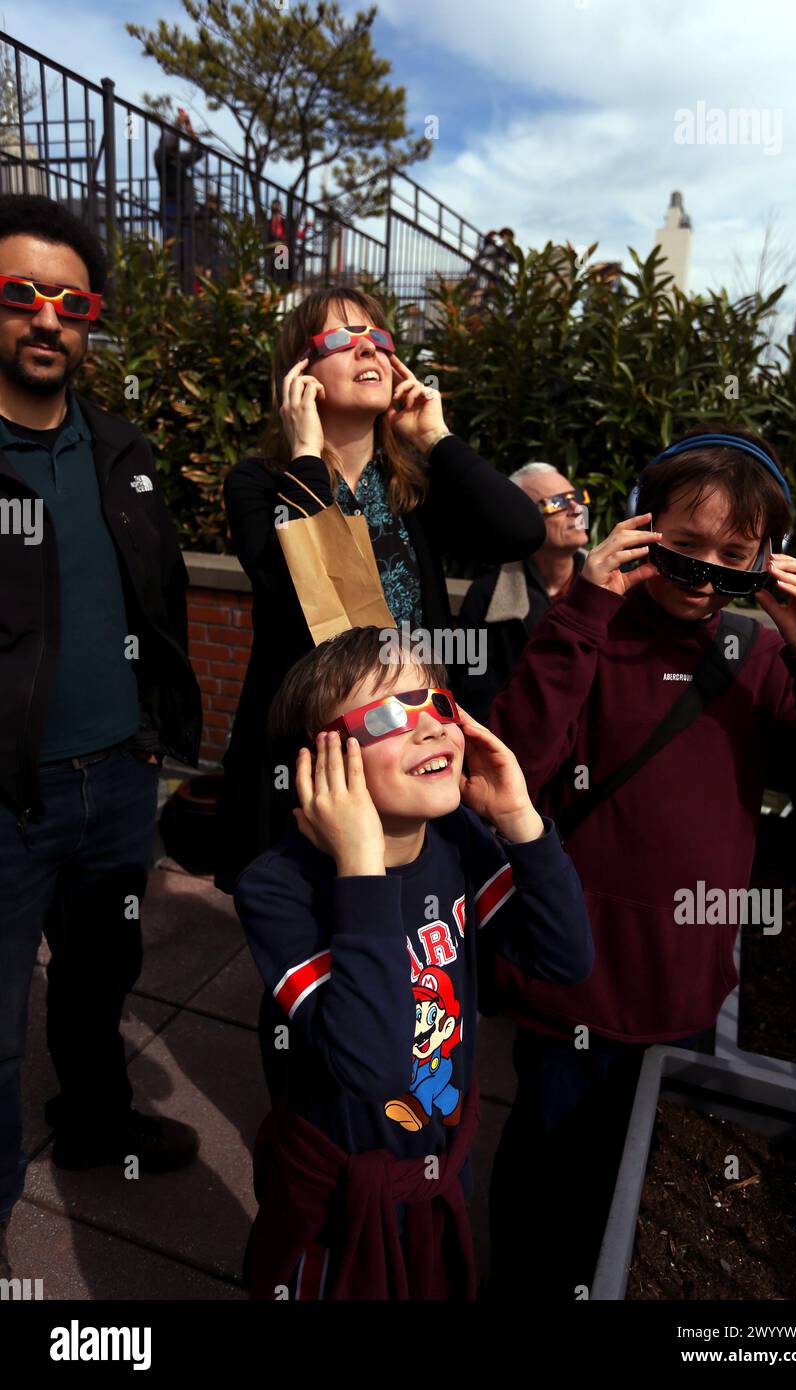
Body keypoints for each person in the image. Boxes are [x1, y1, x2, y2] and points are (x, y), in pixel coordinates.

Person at [487, 427, 796, 1299]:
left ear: (769, 560)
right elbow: (513, 764)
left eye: (733, 558)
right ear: (640, 529)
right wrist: (582, 610)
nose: (702, 578)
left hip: (685, 987)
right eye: (682, 549)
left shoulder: (761, 657)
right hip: (571, 982)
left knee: (635, 1192)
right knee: (545, 1182)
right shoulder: (588, 632)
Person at [233, 625, 593, 1299]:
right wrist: (362, 868)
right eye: (390, 716)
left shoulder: (456, 836)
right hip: (341, 1202)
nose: (429, 727)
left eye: (437, 703)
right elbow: (373, 1067)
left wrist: (518, 817)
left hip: (441, 1162)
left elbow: (565, 958)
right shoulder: (279, 887)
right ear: (322, 765)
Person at [0, 194, 202, 1279]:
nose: (45, 318)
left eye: (68, 301)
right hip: (10, 796)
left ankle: (95, 1122)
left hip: (118, 782)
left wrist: (158, 744)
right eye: (19, 295)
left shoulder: (121, 452)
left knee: (96, 976)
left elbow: (158, 599)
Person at [216, 286, 544, 903]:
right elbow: (288, 593)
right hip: (320, 755)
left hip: (413, 737)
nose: (367, 346)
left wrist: (437, 438)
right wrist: (307, 454)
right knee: (312, 932)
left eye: (378, 337)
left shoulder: (411, 487)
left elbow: (520, 531)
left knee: (417, 923)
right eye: (340, 338)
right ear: (299, 373)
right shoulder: (259, 483)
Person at [455, 462, 590, 721]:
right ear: (521, 519)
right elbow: (474, 691)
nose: (576, 510)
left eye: (577, 497)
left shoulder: (611, 585)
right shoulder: (485, 596)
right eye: (558, 503)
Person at [154, 107, 205, 292]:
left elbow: (199, 152)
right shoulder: (160, 157)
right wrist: (178, 123)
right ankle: (169, 291)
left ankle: (184, 293)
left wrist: (190, 130)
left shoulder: (180, 159)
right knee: (171, 253)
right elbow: (168, 142)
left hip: (184, 209)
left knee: (187, 255)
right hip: (169, 206)